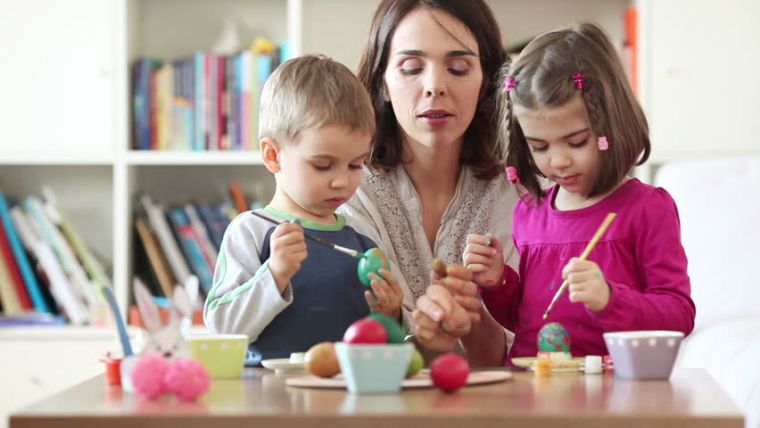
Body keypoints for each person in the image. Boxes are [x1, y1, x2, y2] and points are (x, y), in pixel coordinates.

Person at [416, 22, 696, 365]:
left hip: (612, 392)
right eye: (540, 146)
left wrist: (610, 299)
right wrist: (498, 280)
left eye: (576, 141)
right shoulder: (530, 212)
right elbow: (528, 319)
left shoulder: (647, 209)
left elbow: (679, 315)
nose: (559, 161)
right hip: (533, 388)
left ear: (611, 125)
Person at [204, 55, 403, 363]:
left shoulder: (361, 235)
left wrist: (390, 315)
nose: (342, 181)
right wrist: (274, 273)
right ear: (273, 156)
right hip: (268, 397)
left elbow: (383, 339)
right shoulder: (252, 231)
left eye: (356, 164)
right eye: (323, 165)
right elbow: (222, 329)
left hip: (347, 392)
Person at [340, 0, 518, 334]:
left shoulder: (520, 192)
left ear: (486, 83)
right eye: (411, 67)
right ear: (382, 83)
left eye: (459, 68)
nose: (435, 86)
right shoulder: (348, 190)